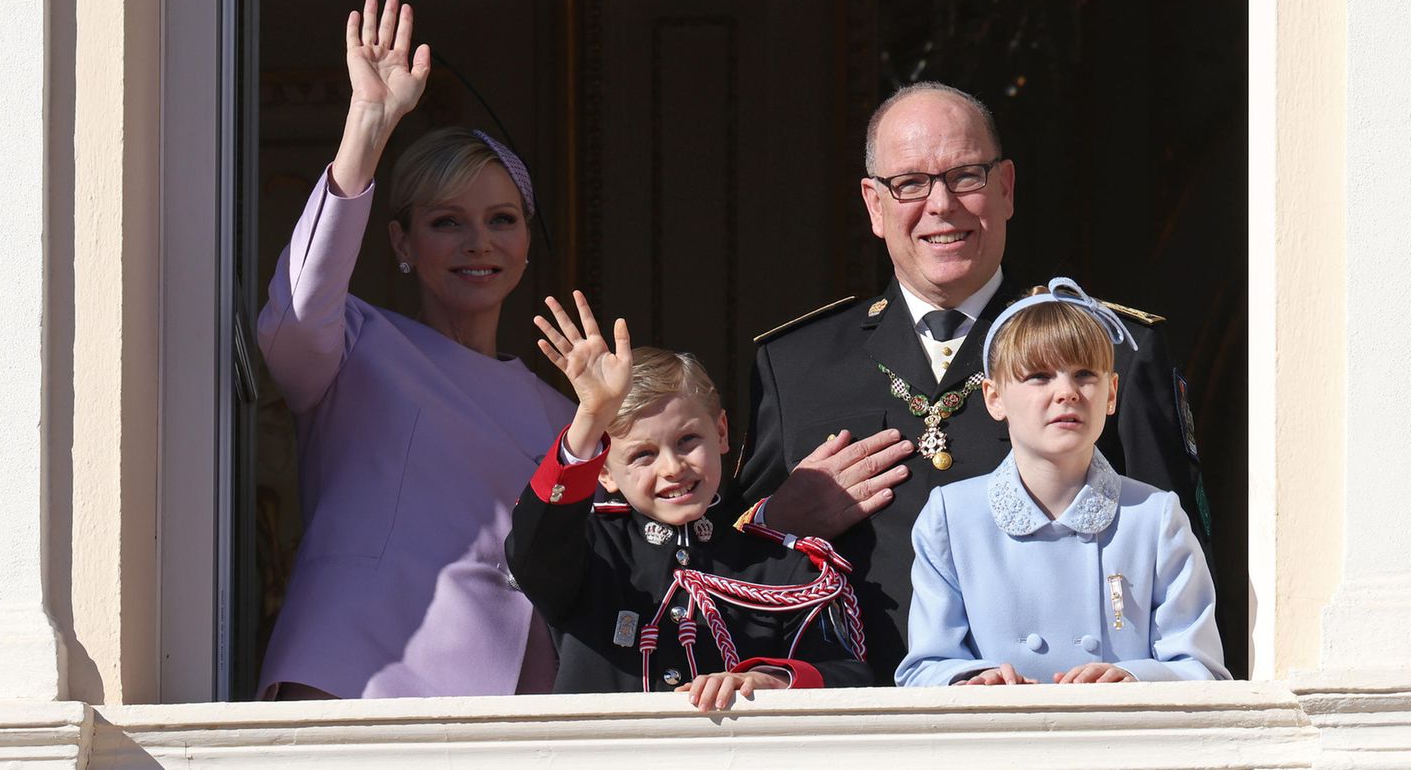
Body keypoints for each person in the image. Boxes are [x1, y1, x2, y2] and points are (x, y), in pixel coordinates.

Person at [733, 82, 1210, 684]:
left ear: (1007, 187)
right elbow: (713, 568)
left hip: (1060, 721)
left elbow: (1181, 567)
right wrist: (778, 519)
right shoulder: (795, 364)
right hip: (853, 718)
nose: (941, 205)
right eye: (909, 183)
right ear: (874, 205)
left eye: (966, 176)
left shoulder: (1111, 347)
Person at [255, 0, 573, 699]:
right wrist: (367, 125)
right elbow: (296, 314)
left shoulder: (564, 413)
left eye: (501, 220)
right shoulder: (354, 346)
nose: (478, 242)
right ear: (402, 242)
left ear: (526, 243)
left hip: (511, 697)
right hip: (361, 673)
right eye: (446, 222)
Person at [506, 292, 872, 710]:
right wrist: (589, 421)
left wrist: (768, 679)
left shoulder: (782, 567)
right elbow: (531, 550)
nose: (672, 468)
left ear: (720, 433)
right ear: (604, 470)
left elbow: (850, 675)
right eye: (643, 454)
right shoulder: (591, 553)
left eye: (687, 441)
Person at [895, 279, 1227, 686]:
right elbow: (924, 667)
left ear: (1112, 393)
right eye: (1038, 376)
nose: (1066, 393)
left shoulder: (1155, 517)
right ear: (994, 397)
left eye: (1085, 374)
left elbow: (1202, 669)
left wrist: (1131, 679)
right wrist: (970, 682)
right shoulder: (952, 516)